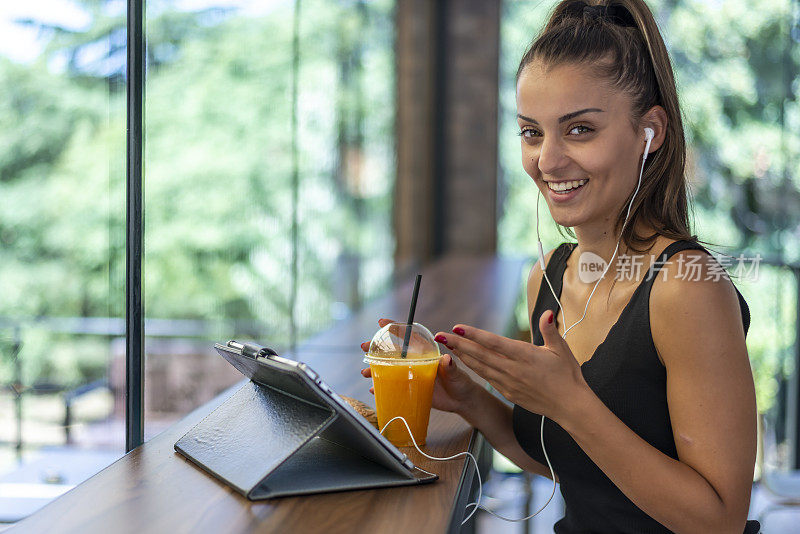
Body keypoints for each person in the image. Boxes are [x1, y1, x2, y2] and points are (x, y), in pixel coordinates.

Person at [362, 1, 761, 532]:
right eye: (532, 132)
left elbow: (721, 519)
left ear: (651, 132)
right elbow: (571, 463)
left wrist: (571, 403)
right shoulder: (547, 276)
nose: (547, 161)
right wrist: (473, 402)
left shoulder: (687, 288)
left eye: (579, 131)